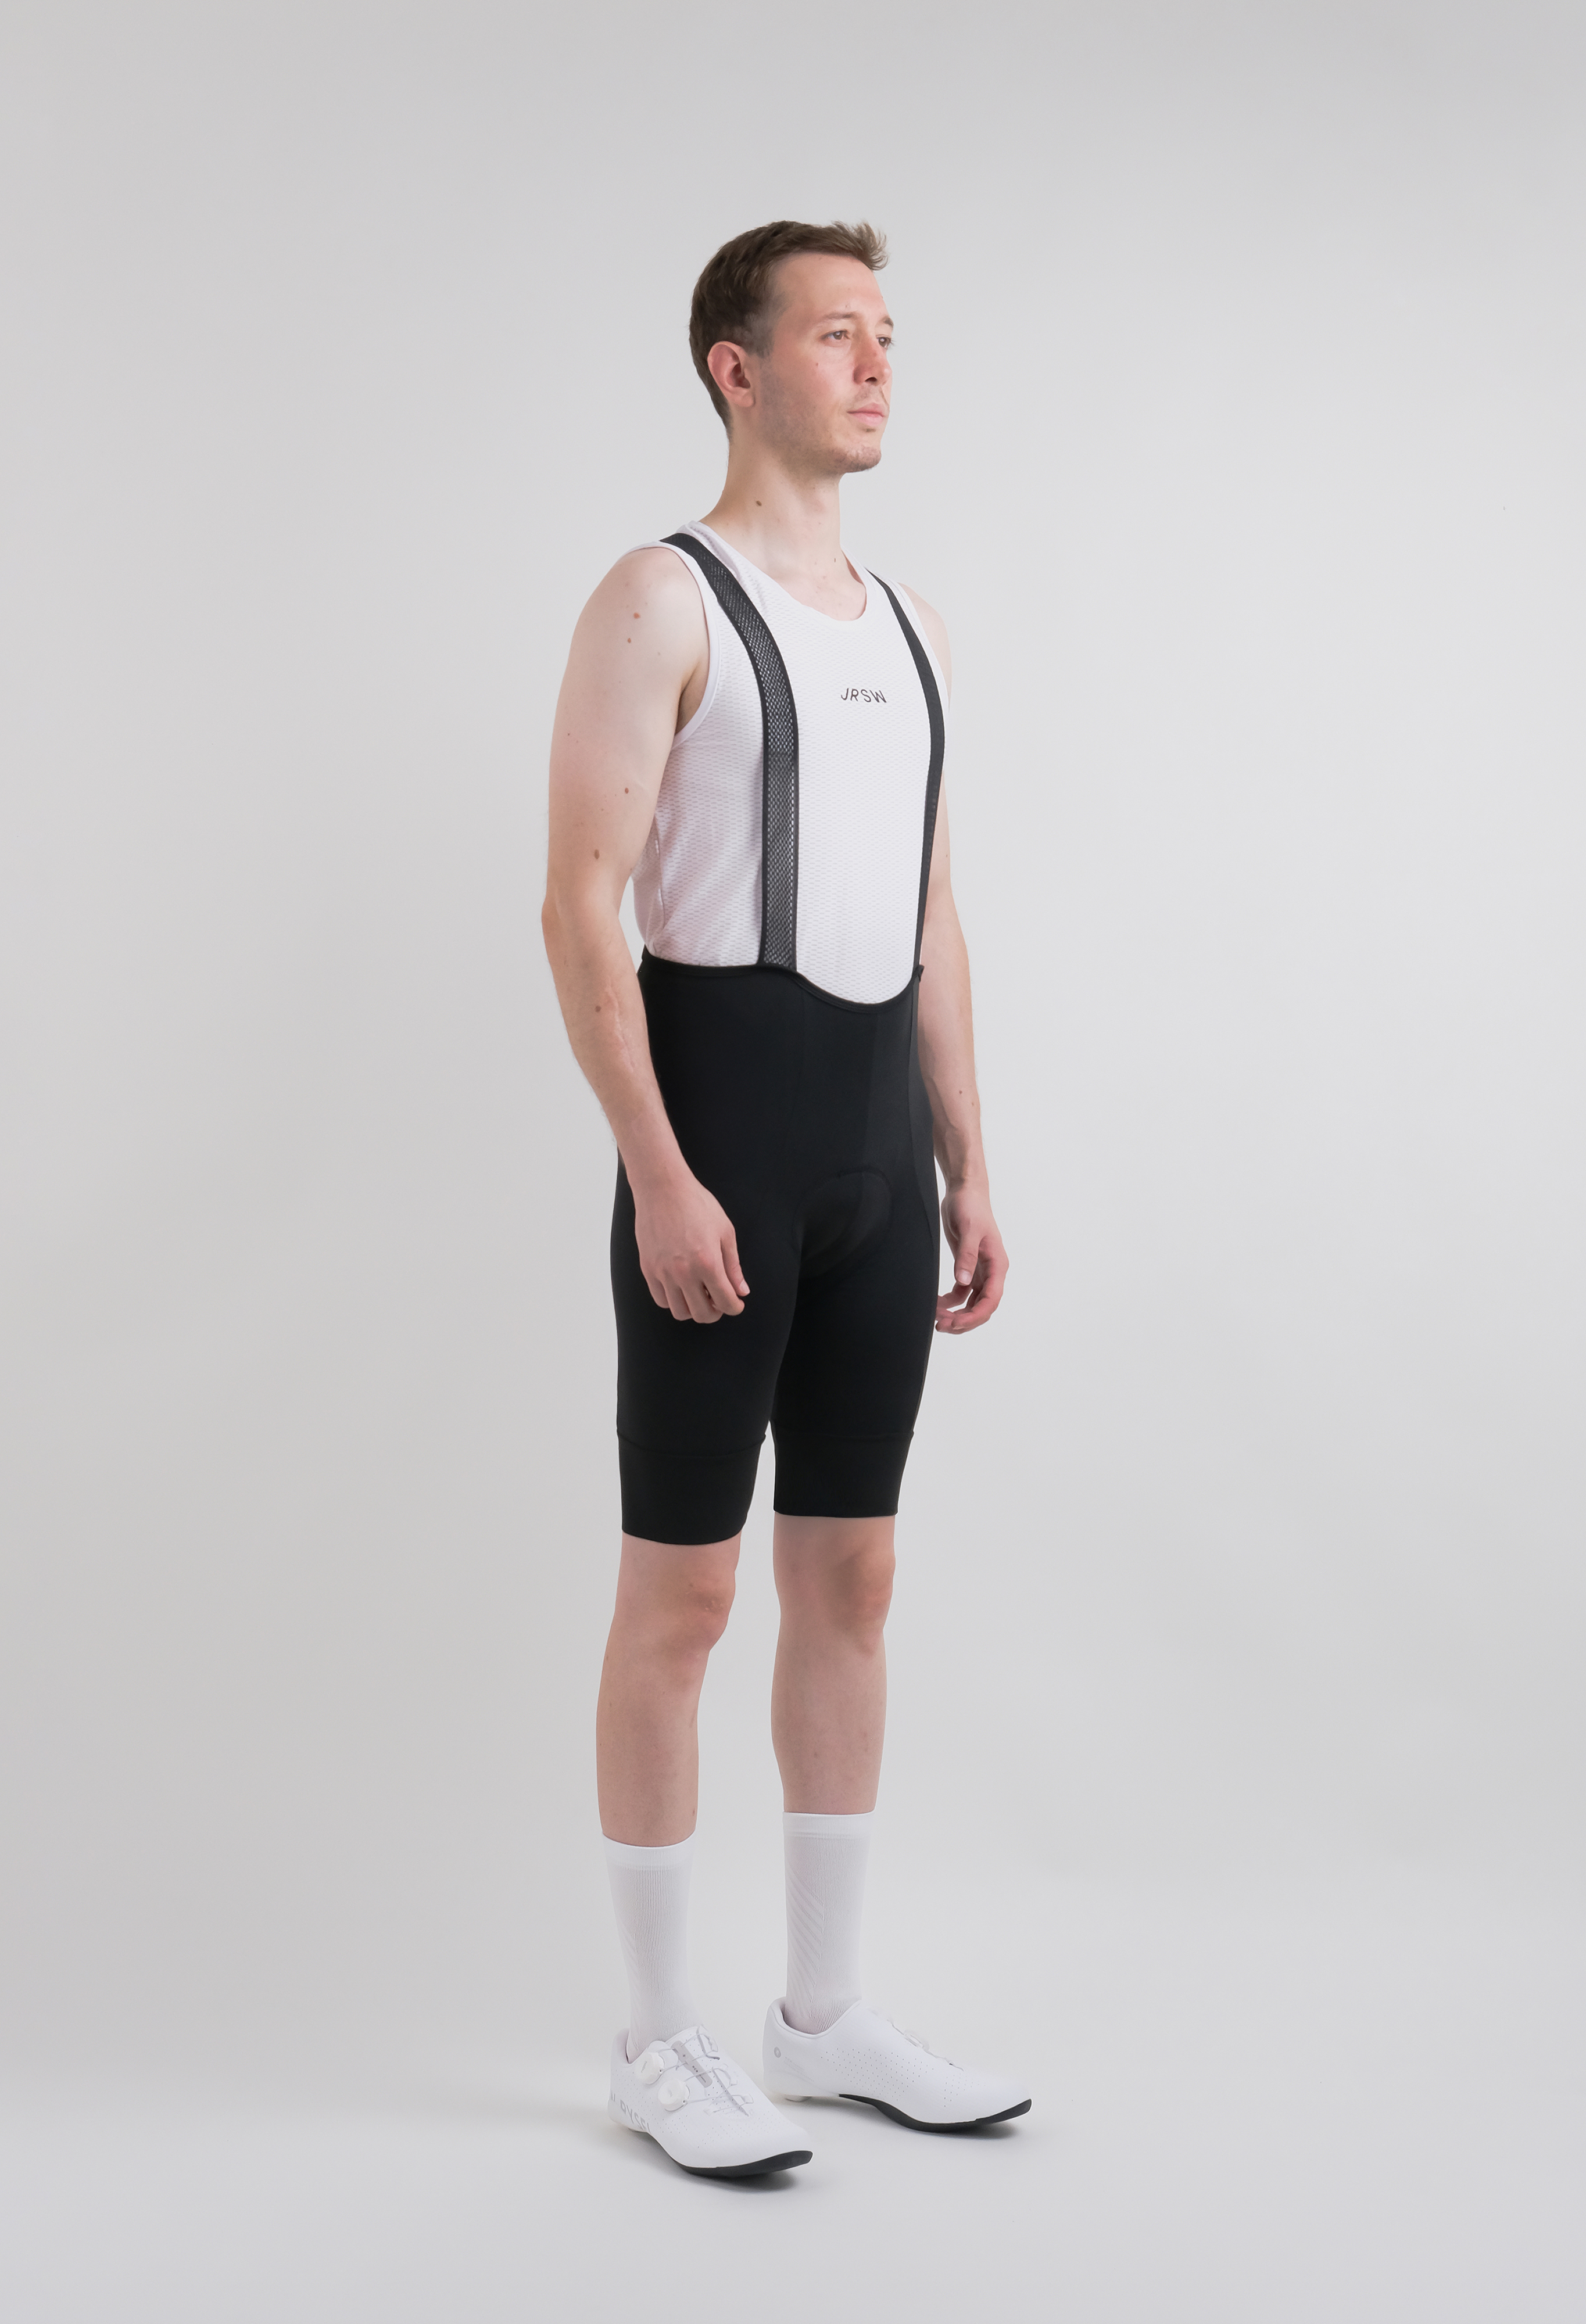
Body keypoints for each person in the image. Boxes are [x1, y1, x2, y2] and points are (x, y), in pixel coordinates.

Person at [541, 219, 1028, 2179]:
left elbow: (928, 911)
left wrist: (969, 1158)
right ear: (736, 369)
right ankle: (656, 2042)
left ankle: (820, 2020)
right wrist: (657, 1169)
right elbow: (579, 909)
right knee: (684, 1591)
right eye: (839, 334)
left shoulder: (906, 625)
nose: (880, 364)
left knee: (856, 1576)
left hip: (874, 1168)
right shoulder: (658, 599)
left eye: (889, 333)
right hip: (718, 1152)